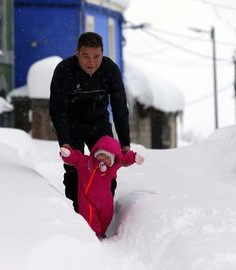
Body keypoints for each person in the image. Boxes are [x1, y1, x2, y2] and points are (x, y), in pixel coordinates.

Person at [49, 32, 131, 212]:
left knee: (107, 169)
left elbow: (119, 109)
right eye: (86, 56)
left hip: (99, 123)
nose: (91, 62)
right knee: (74, 172)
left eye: (96, 57)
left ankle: (103, 211)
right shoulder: (65, 70)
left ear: (103, 54)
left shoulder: (110, 70)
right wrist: (65, 142)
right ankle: (78, 215)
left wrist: (124, 144)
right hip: (72, 125)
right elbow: (57, 110)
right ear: (77, 53)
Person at [59, 135, 144, 238]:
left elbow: (123, 159)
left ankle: (101, 232)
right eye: (102, 154)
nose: (104, 158)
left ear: (112, 160)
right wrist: (68, 154)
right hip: (87, 198)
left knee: (106, 217)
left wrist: (134, 157)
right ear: (96, 153)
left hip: (105, 200)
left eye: (108, 157)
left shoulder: (112, 168)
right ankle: (94, 235)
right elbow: (76, 157)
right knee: (90, 216)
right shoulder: (86, 162)